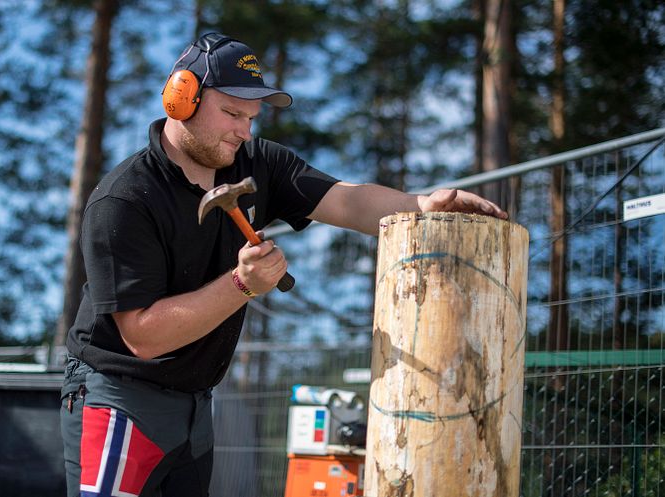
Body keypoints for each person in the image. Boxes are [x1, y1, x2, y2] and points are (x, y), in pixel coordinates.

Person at [60, 32, 507, 497]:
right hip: (118, 399)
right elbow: (142, 337)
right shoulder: (124, 200)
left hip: (195, 404)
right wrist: (241, 284)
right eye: (232, 113)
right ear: (181, 97)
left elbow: (348, 202)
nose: (243, 131)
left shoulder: (257, 164)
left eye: (251, 118)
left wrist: (423, 205)